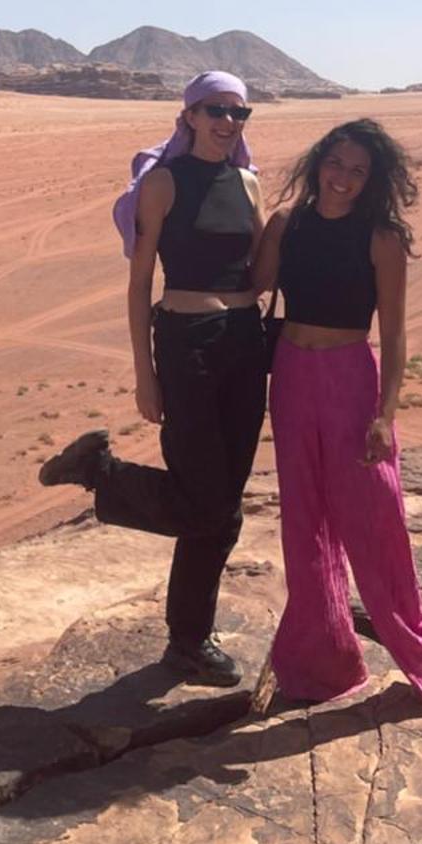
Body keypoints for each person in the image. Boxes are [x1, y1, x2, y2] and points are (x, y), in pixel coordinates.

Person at [37, 71, 269, 685]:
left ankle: (188, 642)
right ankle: (100, 472)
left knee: (223, 508)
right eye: (216, 110)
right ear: (188, 115)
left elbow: (260, 270)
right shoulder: (163, 184)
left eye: (239, 113)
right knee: (206, 502)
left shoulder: (249, 184)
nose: (228, 122)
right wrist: (146, 373)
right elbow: (140, 284)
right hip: (187, 345)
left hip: (246, 349)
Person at [250, 118, 422, 709]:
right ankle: (323, 665)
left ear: (373, 180)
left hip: (348, 377)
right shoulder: (288, 224)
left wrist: (385, 414)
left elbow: (394, 334)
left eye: (358, 171)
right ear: (319, 163)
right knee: (303, 522)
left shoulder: (382, 238)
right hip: (290, 376)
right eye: (335, 164)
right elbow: (254, 284)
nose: (342, 179)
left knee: (376, 518)